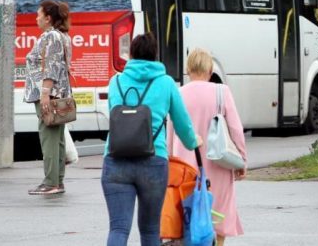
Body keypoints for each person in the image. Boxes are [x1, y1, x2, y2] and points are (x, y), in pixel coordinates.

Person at [102, 33, 199, 246]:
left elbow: (113, 114)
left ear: (131, 54)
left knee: (118, 228)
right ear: (155, 55)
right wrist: (194, 142)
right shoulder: (166, 83)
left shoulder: (115, 81)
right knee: (150, 230)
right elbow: (182, 123)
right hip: (154, 162)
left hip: (116, 160)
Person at [169, 48, 247, 245]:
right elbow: (236, 129)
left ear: (188, 70)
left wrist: (169, 161)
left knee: (188, 215)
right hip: (218, 163)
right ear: (210, 70)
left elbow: (170, 131)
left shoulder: (178, 94)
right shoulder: (222, 92)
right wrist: (242, 161)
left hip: (184, 166)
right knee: (219, 214)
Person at [24, 0, 72, 195]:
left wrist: (45, 94)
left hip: (49, 94)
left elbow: (51, 67)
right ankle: (57, 181)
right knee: (57, 137)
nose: (36, 18)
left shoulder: (50, 36)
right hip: (59, 93)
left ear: (48, 18)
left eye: (39, 15)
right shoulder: (62, 36)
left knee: (49, 137)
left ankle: (50, 182)